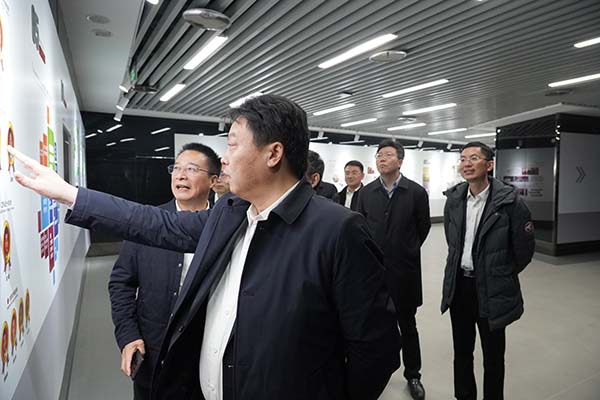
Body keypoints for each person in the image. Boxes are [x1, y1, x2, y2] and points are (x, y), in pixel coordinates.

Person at [9, 94, 400, 400]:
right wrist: (70, 195)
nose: (224, 160)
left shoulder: (338, 230)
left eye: (232, 145)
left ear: (273, 154)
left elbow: (374, 351)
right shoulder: (232, 212)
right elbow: (153, 223)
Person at [109, 142, 220, 400]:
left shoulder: (224, 230)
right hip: (152, 353)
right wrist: (128, 335)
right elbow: (121, 283)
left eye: (191, 169)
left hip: (205, 358)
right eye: (176, 168)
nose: (180, 176)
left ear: (213, 181)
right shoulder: (146, 224)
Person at [441, 142, 535, 400]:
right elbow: (453, 242)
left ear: (489, 165)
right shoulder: (454, 201)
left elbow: (523, 250)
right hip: (460, 287)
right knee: (462, 352)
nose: (466, 164)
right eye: (463, 159)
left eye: (474, 158)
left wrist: (499, 272)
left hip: (492, 289)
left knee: (493, 357)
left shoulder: (510, 203)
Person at [357, 139, 431, 400]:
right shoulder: (366, 193)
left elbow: (423, 228)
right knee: (372, 326)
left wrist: (405, 250)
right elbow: (359, 228)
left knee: (407, 325)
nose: (381, 159)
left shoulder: (415, 192)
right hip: (373, 273)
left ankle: (413, 375)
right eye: (378, 155)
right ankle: (375, 371)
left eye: (387, 155)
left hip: (404, 272)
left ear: (400, 160)